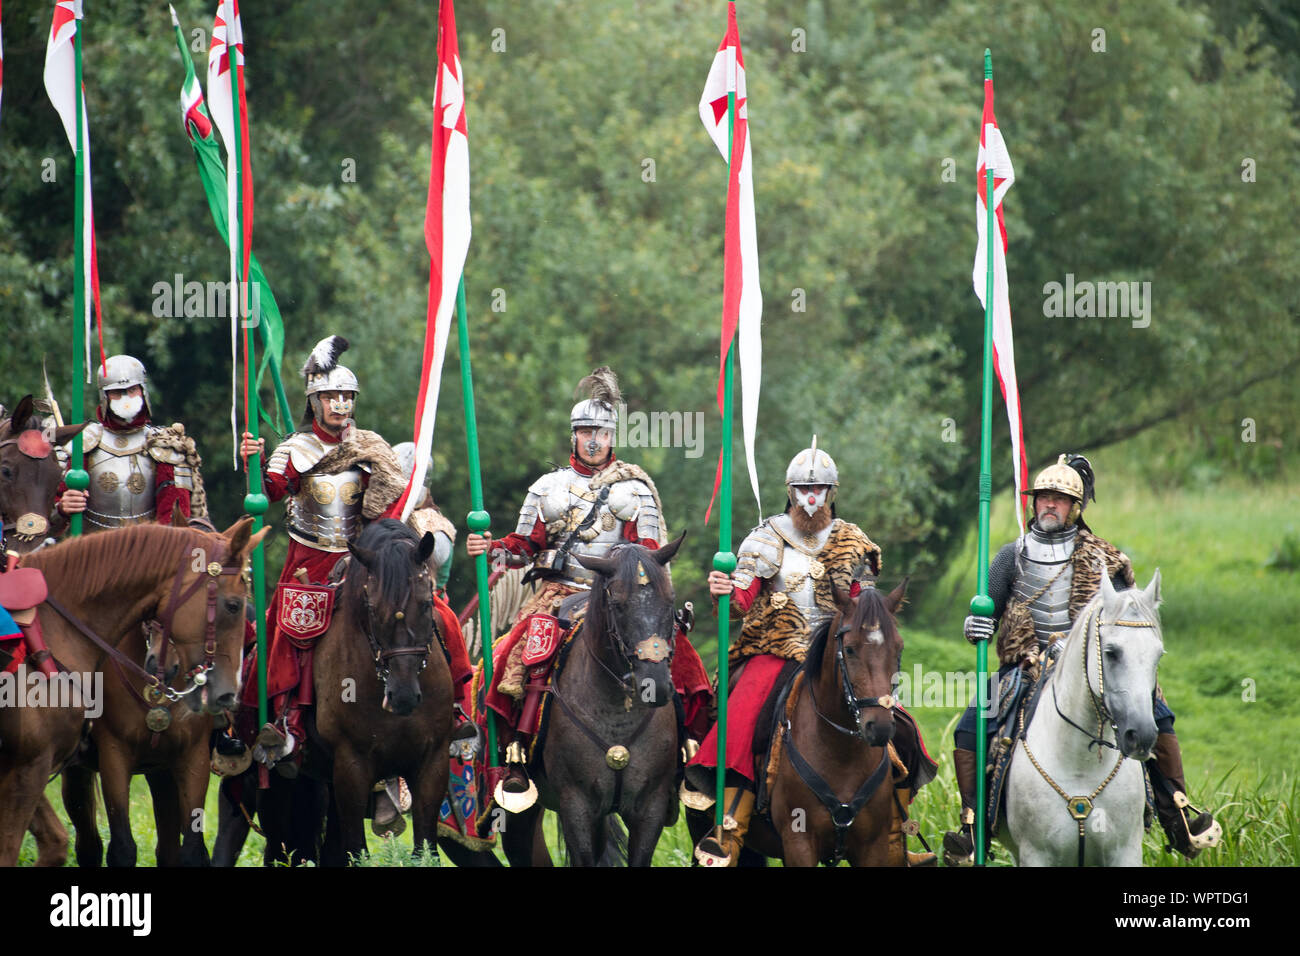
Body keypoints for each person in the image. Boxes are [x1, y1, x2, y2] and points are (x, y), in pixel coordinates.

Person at [943, 453, 1221, 864]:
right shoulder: (1011, 555)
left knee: (1156, 715)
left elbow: (1133, 614)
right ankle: (972, 827)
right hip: (1025, 665)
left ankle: (1178, 811)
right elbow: (987, 609)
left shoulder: (1103, 557)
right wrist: (975, 627)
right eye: (1042, 498)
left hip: (1095, 664)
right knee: (970, 726)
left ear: (1075, 507)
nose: (1049, 505)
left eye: (1058, 498)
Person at [465, 367, 710, 809]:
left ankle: (689, 753)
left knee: (685, 663)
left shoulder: (636, 491)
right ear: (573, 437)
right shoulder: (547, 488)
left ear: (612, 437)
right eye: (584, 432)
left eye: (600, 431)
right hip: (558, 594)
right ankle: (516, 753)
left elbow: (649, 554)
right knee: (514, 657)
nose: (592, 440)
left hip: (622, 598)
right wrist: (492, 548)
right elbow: (524, 548)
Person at [684, 438, 934, 866]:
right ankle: (731, 828)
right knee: (744, 714)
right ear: (791, 492)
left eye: (819, 489)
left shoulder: (853, 541)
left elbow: (861, 604)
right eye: (803, 489)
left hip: (840, 651)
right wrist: (726, 591)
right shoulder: (766, 538)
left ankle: (895, 835)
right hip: (776, 648)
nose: (811, 498)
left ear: (832, 493)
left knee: (901, 725)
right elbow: (743, 601)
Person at [239, 336, 472, 780]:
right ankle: (288, 720)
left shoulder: (372, 448)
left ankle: (455, 709)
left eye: (347, 397)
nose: (340, 405)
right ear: (315, 401)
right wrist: (256, 459)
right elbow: (269, 493)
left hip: (364, 559)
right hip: (308, 563)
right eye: (331, 397)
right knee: (288, 633)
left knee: (438, 615)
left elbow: (386, 508)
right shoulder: (295, 449)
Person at [57, 355, 208, 530]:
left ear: (143, 390)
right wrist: (62, 508)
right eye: (117, 392)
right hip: (91, 550)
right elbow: (50, 523)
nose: (126, 398)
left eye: (132, 390)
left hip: (147, 550)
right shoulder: (82, 443)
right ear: (105, 396)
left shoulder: (164, 445)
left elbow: (176, 521)